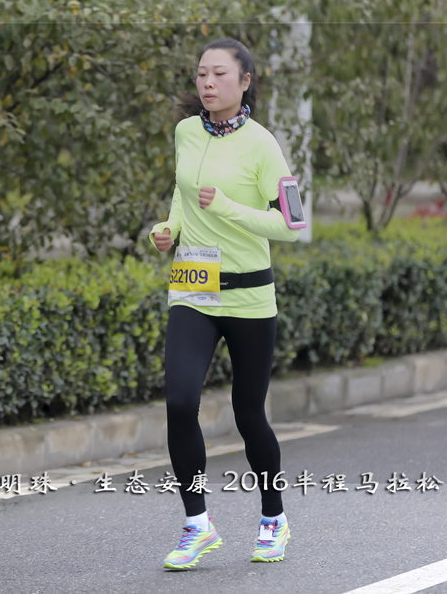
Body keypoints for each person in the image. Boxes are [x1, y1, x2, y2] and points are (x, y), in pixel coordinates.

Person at [149, 38, 302, 569]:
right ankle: (197, 524)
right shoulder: (185, 133)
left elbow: (292, 225)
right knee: (178, 403)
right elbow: (182, 191)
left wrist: (231, 209)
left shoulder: (263, 145)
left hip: (249, 297)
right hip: (193, 288)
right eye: (201, 74)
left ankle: (273, 519)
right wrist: (169, 228)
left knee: (248, 412)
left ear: (245, 81)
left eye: (218, 74)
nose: (207, 83)